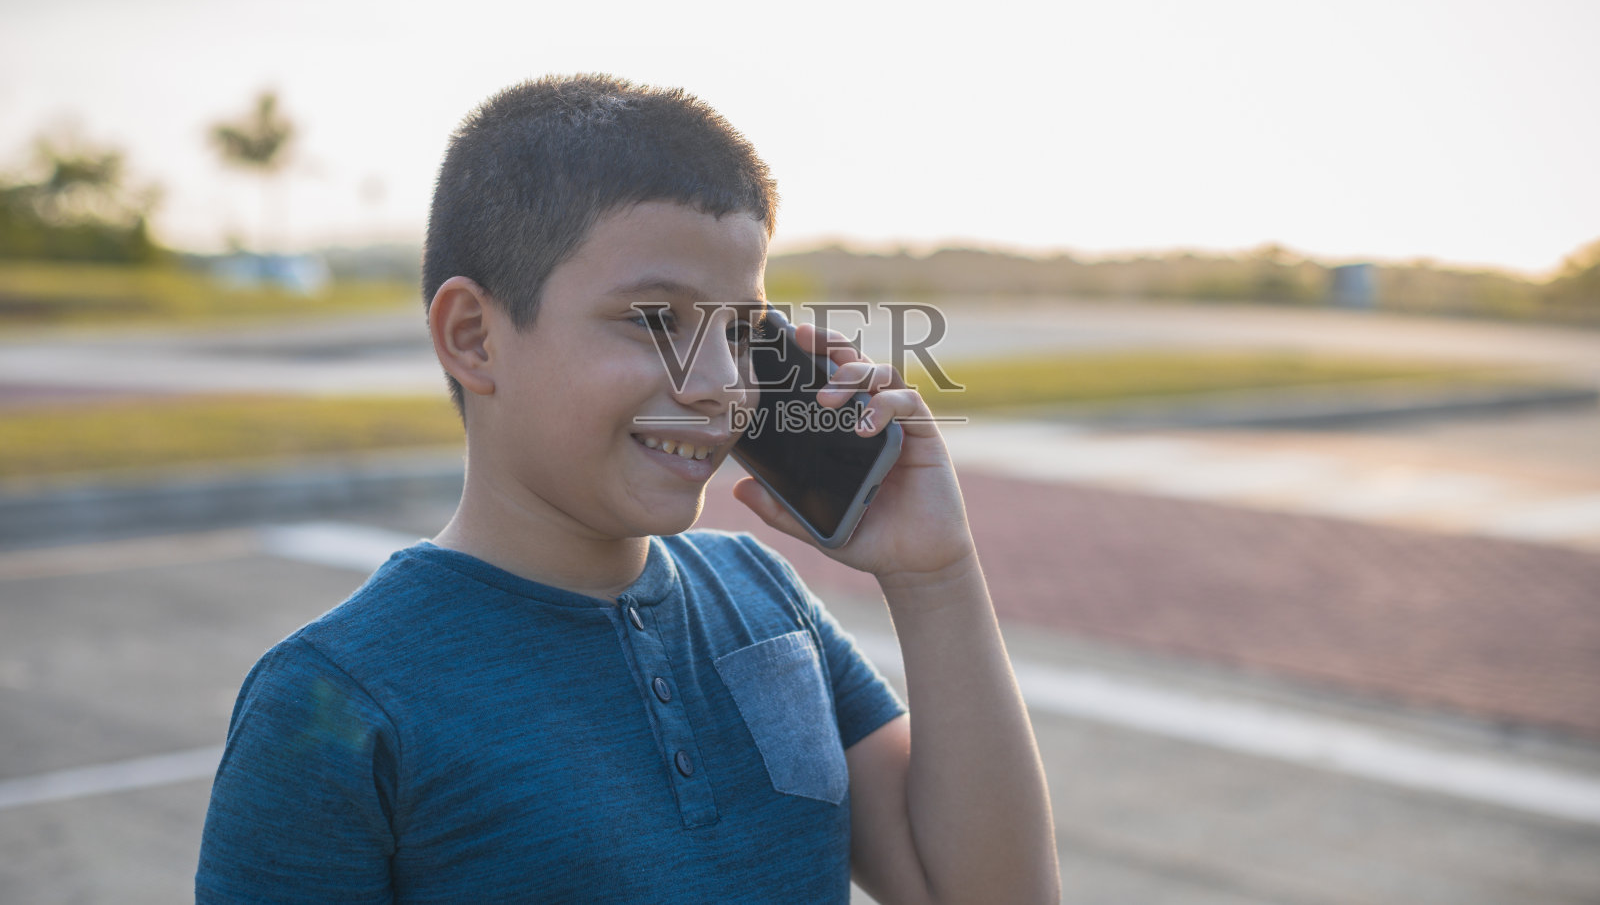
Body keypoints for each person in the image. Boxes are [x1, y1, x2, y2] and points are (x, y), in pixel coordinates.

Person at [195, 74, 1059, 903]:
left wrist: (935, 574)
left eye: (742, 329)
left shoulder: (765, 599)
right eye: (655, 321)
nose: (720, 383)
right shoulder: (337, 698)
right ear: (473, 337)